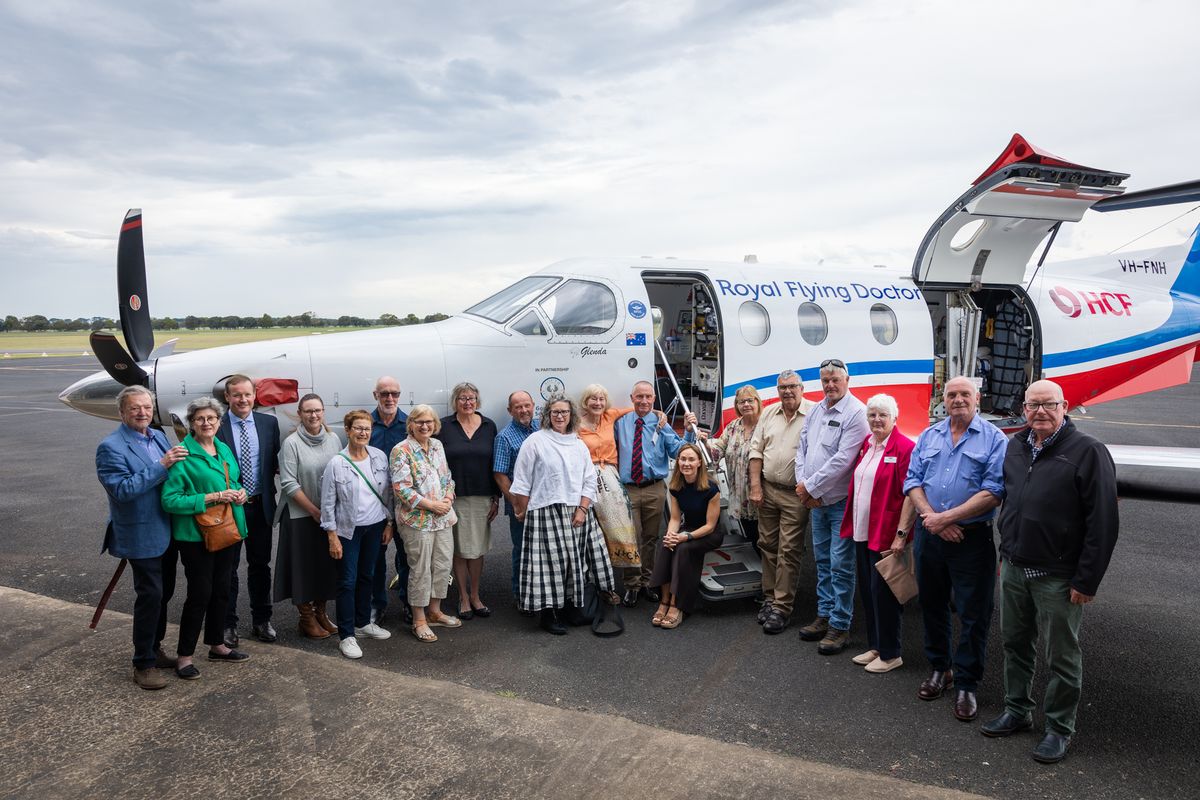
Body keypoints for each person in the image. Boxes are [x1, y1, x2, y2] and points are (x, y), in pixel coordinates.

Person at [983, 380, 1119, 764]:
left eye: (1049, 404)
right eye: (1033, 405)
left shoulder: (1088, 451)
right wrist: (1006, 553)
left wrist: (1086, 580)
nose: (1040, 411)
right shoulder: (1016, 446)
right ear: (1023, 408)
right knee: (1015, 643)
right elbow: (1012, 502)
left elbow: (1103, 522)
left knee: (1061, 655)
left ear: (1064, 406)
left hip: (1058, 574)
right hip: (1014, 567)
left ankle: (1059, 728)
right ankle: (1017, 710)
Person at [904, 376, 1007, 722]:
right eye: (952, 395)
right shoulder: (929, 435)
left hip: (970, 539)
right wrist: (932, 519)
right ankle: (940, 669)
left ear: (977, 398)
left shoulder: (994, 439)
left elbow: (993, 491)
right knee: (932, 604)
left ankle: (967, 683)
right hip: (930, 534)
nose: (958, 399)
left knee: (974, 613)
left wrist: (946, 518)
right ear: (943, 400)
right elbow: (913, 481)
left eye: (965, 394)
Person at [95, 385, 189, 689]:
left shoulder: (158, 436)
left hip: (168, 528)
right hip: (140, 533)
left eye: (147, 407)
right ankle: (143, 664)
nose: (142, 413)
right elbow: (123, 491)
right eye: (135, 408)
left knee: (164, 593)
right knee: (150, 595)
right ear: (122, 412)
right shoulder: (110, 447)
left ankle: (155, 649)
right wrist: (161, 465)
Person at [161, 396, 251, 679]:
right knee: (200, 593)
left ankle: (216, 644)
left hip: (227, 528)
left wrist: (241, 492)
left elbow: (233, 480)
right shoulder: (182, 455)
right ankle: (184, 657)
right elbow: (170, 500)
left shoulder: (222, 448)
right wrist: (213, 497)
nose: (206, 423)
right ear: (191, 423)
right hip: (196, 536)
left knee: (222, 589)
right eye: (200, 418)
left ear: (219, 422)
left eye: (211, 418)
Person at [510, 396, 617, 635]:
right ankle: (548, 615)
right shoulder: (535, 441)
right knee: (548, 567)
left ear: (571, 415)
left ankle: (572, 607)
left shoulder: (578, 443)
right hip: (544, 512)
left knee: (574, 564)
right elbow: (522, 482)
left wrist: (582, 509)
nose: (560, 416)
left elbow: (589, 480)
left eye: (564, 412)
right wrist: (525, 512)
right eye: (555, 412)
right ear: (548, 415)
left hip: (576, 513)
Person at [793, 359, 870, 655]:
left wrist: (810, 488)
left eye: (835, 379)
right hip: (815, 502)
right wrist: (803, 485)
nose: (830, 385)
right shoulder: (816, 410)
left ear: (847, 380)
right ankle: (824, 615)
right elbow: (802, 449)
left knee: (841, 565)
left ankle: (840, 625)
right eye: (825, 380)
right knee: (823, 562)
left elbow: (843, 460)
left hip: (839, 503)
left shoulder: (857, 413)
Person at [838, 394, 917, 673]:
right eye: (872, 415)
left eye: (883, 415)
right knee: (869, 592)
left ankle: (891, 653)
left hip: (886, 533)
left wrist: (901, 534)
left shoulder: (905, 448)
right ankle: (876, 646)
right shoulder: (867, 444)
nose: (877, 420)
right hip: (863, 531)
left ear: (894, 418)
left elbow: (911, 494)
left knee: (885, 594)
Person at [613, 380, 696, 608]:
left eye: (648, 397)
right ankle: (632, 585)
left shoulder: (661, 424)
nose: (644, 401)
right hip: (628, 489)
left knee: (651, 538)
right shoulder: (620, 423)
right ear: (632, 398)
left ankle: (648, 581)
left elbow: (678, 451)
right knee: (631, 538)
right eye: (639, 396)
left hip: (654, 489)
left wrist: (689, 433)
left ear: (654, 399)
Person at [320, 410, 395, 659]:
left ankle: (363, 624)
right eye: (358, 428)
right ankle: (346, 635)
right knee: (347, 581)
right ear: (348, 430)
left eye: (367, 429)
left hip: (375, 526)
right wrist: (332, 536)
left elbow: (387, 494)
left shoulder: (379, 456)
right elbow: (327, 503)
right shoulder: (337, 463)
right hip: (348, 531)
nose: (363, 433)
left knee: (367, 575)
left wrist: (389, 523)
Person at [748, 370, 814, 634]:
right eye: (782, 387)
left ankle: (782, 607)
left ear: (801, 388)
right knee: (767, 545)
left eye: (792, 386)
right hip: (767, 490)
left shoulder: (814, 414)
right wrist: (755, 486)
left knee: (788, 550)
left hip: (794, 494)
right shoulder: (768, 413)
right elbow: (756, 450)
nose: (787, 391)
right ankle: (769, 597)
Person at [217, 375, 281, 647]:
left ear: (255, 395)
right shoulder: (217, 426)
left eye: (247, 394)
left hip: (259, 506)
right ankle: (227, 624)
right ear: (227, 397)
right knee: (227, 568)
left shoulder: (269, 423)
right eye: (236, 395)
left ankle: (262, 620)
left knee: (260, 565)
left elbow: (274, 460)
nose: (242, 400)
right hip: (229, 509)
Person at [391, 404, 461, 643]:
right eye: (419, 422)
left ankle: (435, 611)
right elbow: (402, 489)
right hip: (417, 521)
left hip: (443, 517)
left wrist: (448, 498)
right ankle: (419, 620)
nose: (424, 426)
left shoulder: (437, 446)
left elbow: (447, 477)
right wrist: (432, 505)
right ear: (410, 424)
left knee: (442, 565)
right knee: (420, 569)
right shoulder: (401, 450)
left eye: (429, 421)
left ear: (435, 424)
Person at [274, 393, 341, 639]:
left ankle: (321, 613)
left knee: (324, 567)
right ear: (300, 414)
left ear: (323, 412)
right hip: (300, 515)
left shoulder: (334, 439)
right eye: (308, 411)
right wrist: (314, 511)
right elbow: (288, 483)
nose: (313, 415)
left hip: (327, 515)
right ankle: (306, 618)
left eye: (317, 410)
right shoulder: (291, 443)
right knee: (302, 568)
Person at [578, 384, 666, 572]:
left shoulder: (610, 416)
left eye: (601, 399)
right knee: (618, 532)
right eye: (593, 399)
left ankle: (645, 578)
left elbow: (641, 409)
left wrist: (658, 413)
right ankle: (625, 579)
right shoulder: (576, 425)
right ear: (585, 401)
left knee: (644, 534)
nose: (598, 403)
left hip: (624, 480)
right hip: (596, 479)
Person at [437, 382, 499, 620]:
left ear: (477, 401)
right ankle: (463, 597)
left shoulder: (488, 425)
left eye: (471, 398)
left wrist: (496, 497)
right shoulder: (444, 426)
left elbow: (495, 463)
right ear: (455, 401)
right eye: (462, 398)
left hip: (482, 496)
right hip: (454, 497)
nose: (467, 402)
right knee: (460, 550)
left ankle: (475, 595)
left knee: (477, 549)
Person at [647, 443, 721, 630]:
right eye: (683, 459)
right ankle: (664, 601)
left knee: (683, 549)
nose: (686, 463)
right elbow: (674, 518)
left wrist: (684, 537)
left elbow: (710, 526)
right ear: (678, 461)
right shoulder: (676, 486)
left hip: (708, 533)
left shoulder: (711, 488)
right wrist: (671, 535)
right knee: (666, 545)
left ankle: (677, 604)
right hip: (687, 528)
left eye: (691, 459)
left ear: (699, 463)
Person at [369, 376, 411, 626]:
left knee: (407, 557)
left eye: (394, 393)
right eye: (384, 393)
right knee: (375, 558)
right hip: (375, 503)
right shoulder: (366, 424)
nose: (389, 398)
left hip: (405, 502)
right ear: (375, 395)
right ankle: (377, 604)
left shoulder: (409, 424)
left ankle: (409, 602)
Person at [493, 390, 538, 612]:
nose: (523, 410)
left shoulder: (542, 428)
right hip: (521, 505)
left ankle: (542, 593)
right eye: (518, 407)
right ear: (510, 411)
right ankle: (521, 596)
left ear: (533, 405)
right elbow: (500, 474)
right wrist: (516, 503)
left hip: (545, 502)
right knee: (523, 550)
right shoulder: (505, 437)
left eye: (527, 405)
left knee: (544, 550)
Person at [704, 385, 762, 546]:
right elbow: (717, 452)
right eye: (741, 402)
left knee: (767, 541)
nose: (746, 405)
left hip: (762, 495)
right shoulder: (733, 426)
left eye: (750, 400)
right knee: (751, 539)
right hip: (740, 496)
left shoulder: (766, 425)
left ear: (757, 402)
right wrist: (705, 443)